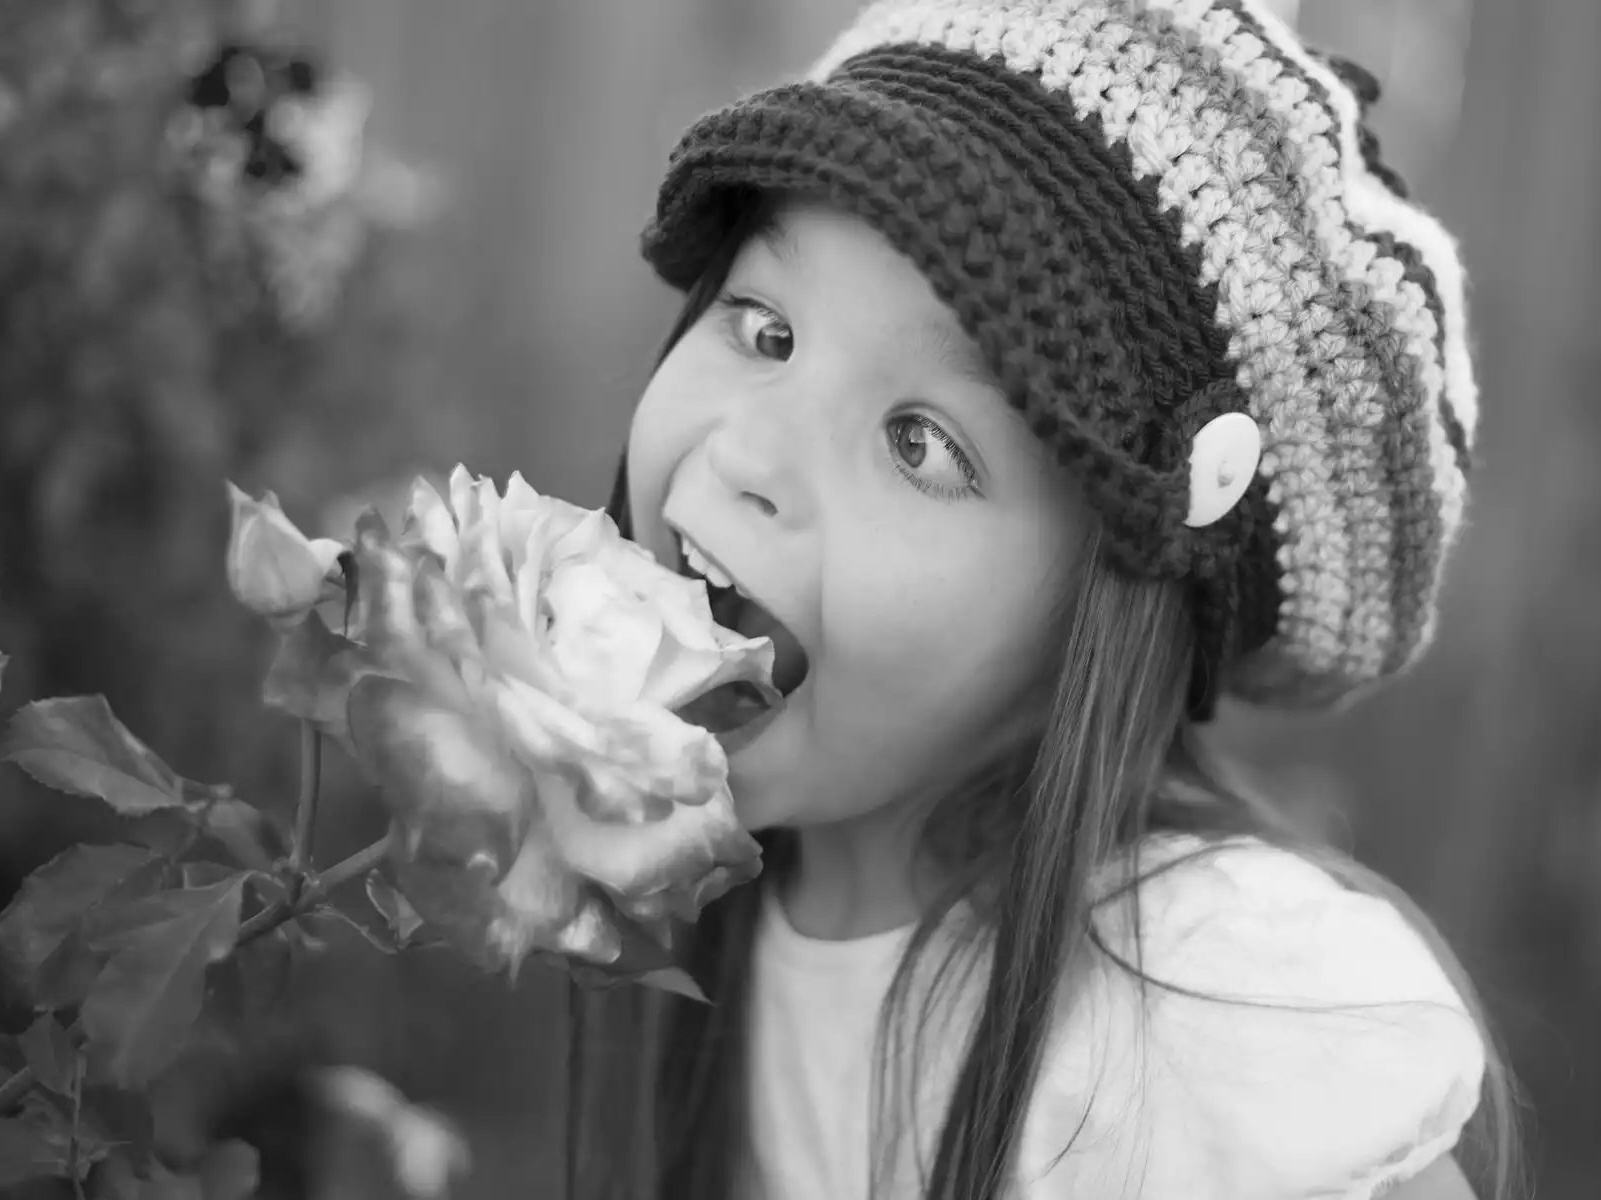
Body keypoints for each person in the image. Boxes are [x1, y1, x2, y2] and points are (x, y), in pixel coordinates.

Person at [574, 1, 1519, 1197]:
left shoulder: (1214, 1015)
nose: (751, 456)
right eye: (766, 330)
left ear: (1105, 619)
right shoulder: (719, 896)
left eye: (920, 442)